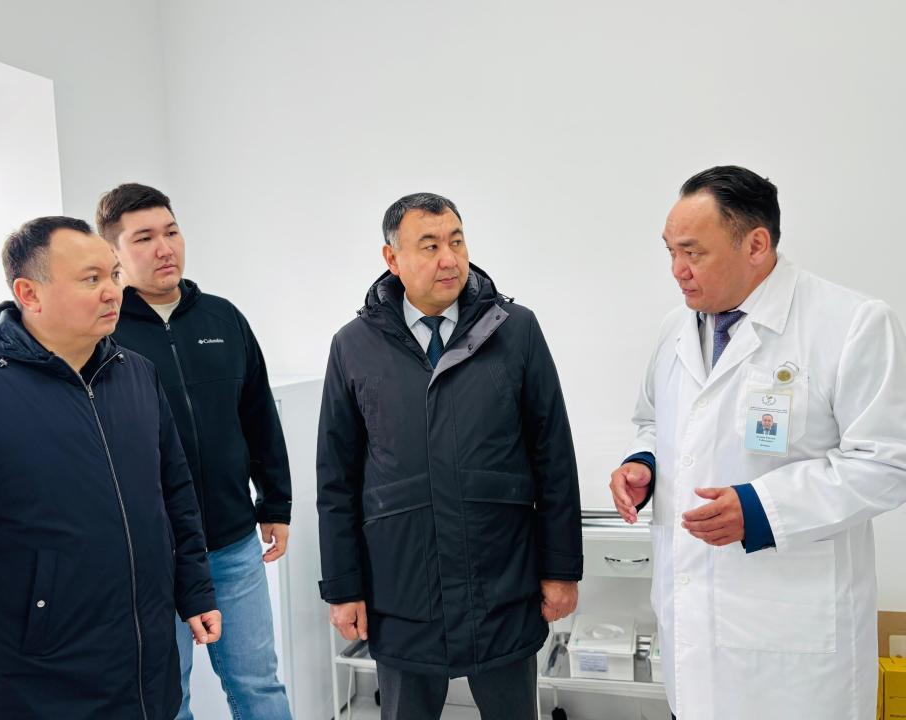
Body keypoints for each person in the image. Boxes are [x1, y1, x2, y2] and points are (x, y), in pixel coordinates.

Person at [609, 166, 906, 720]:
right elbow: (654, 422)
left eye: (693, 252)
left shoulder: (851, 324)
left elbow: (886, 464)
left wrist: (761, 508)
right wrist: (643, 464)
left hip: (794, 656)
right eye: (670, 251)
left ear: (756, 245)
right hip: (692, 633)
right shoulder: (677, 328)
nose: (677, 270)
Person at [317, 193, 582, 720]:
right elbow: (336, 479)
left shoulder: (515, 329)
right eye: (430, 245)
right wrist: (343, 588)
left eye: (457, 242)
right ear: (392, 259)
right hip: (402, 591)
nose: (449, 259)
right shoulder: (354, 345)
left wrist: (561, 568)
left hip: (501, 583)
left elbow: (553, 455)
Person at [0, 217, 220, 718]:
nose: (113, 291)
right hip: (43, 679)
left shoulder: (135, 373)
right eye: (91, 279)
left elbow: (174, 493)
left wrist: (196, 590)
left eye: (113, 275)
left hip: (147, 666)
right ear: (29, 293)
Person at [96, 184, 293, 720]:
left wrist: (275, 502)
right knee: (167, 699)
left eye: (171, 231)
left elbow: (258, 415)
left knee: (259, 685)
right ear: (113, 252)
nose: (165, 248)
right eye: (144, 238)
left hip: (233, 543)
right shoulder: (104, 333)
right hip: (151, 555)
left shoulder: (223, 319)